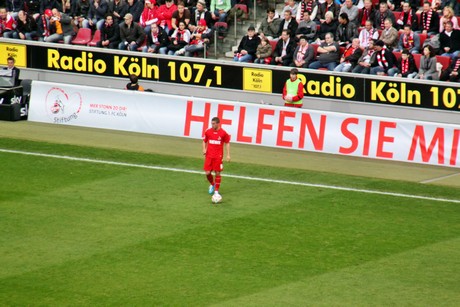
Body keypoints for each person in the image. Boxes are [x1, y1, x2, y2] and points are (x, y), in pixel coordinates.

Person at [202, 117, 231, 199]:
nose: (212, 125)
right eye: (211, 123)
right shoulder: (208, 131)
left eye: (214, 124)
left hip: (218, 156)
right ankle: (212, 184)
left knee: (217, 173)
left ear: (218, 124)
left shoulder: (223, 133)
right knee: (207, 173)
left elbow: (227, 143)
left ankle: (216, 192)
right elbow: (204, 141)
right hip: (209, 156)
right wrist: (204, 149)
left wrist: (228, 155)